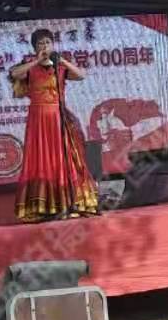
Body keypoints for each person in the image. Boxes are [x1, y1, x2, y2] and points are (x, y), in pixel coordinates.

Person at [8, 27, 99, 222]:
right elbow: (15, 74)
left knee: (62, 159)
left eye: (47, 43)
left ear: (53, 45)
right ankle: (42, 206)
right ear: (34, 47)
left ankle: (67, 203)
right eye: (40, 43)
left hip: (58, 118)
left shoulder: (60, 68)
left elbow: (81, 75)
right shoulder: (29, 68)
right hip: (38, 121)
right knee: (41, 159)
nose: (44, 46)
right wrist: (36, 60)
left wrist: (62, 60)